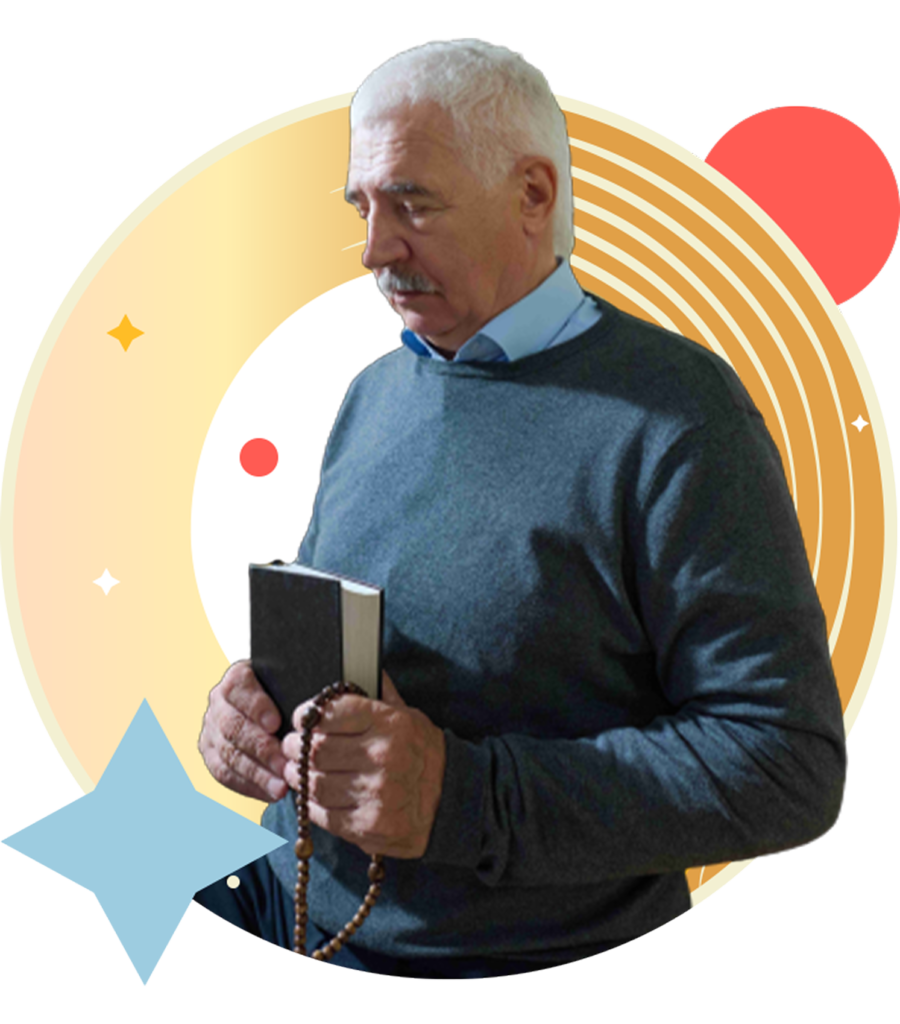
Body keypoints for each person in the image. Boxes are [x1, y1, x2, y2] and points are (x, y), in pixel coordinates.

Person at [196, 39, 846, 977]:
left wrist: (464, 797)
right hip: (283, 911)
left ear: (534, 195)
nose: (376, 249)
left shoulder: (681, 417)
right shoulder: (373, 391)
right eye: (364, 207)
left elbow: (787, 770)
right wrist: (251, 716)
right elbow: (357, 660)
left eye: (413, 203)